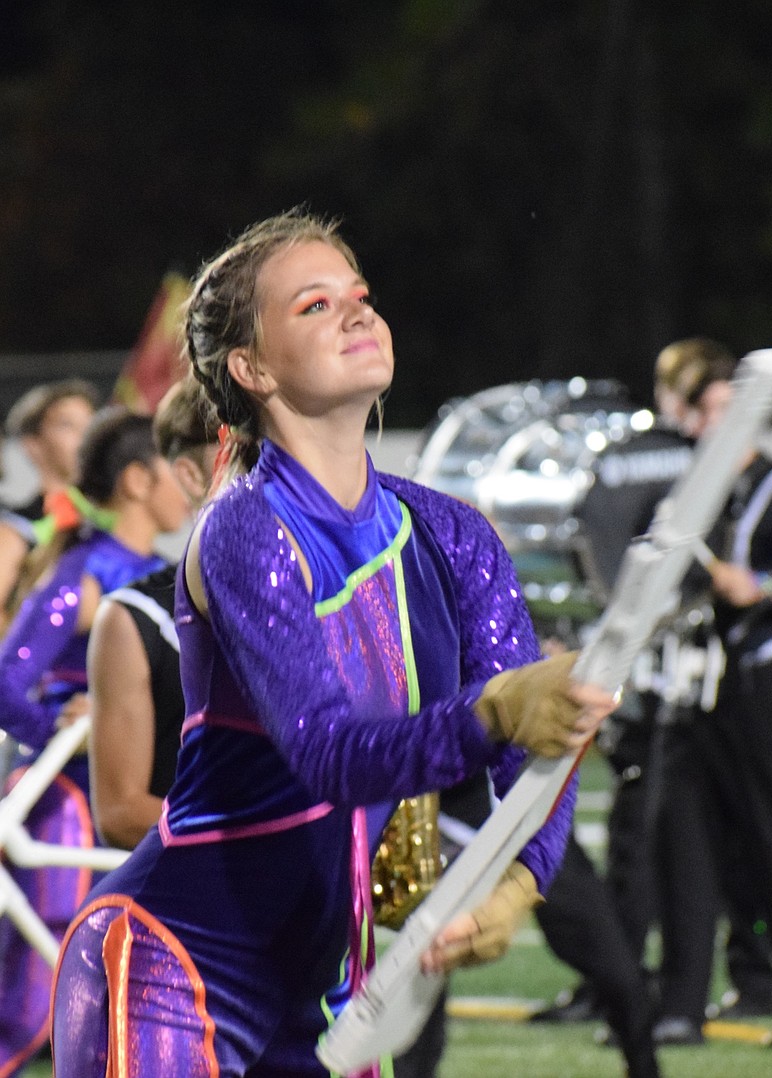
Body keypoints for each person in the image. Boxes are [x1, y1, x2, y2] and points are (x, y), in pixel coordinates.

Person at [50, 208, 617, 1078]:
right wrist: (497, 709)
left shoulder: (455, 536)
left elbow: (539, 754)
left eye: (360, 295)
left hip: (332, 997)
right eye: (314, 306)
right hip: (171, 966)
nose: (357, 312)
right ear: (252, 367)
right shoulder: (245, 528)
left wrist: (522, 878)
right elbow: (330, 754)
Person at [651, 342, 772, 1047]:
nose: (703, 421)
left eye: (714, 406)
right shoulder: (698, 492)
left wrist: (761, 586)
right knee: (710, 838)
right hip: (714, 685)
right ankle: (740, 988)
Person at [0, 406, 189, 1077]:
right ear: (139, 480)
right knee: (33, 1004)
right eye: (176, 465)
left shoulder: (167, 570)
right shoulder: (86, 571)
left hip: (132, 798)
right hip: (67, 807)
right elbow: (4, 678)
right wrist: (57, 726)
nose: (190, 481)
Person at [87, 376, 219, 849]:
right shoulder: (133, 608)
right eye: (246, 446)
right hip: (203, 894)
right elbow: (121, 810)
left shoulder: (326, 588)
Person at [0, 380, 99, 633]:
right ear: (32, 443)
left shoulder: (107, 521)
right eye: (67, 425)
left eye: (91, 423)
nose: (84, 434)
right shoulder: (15, 529)